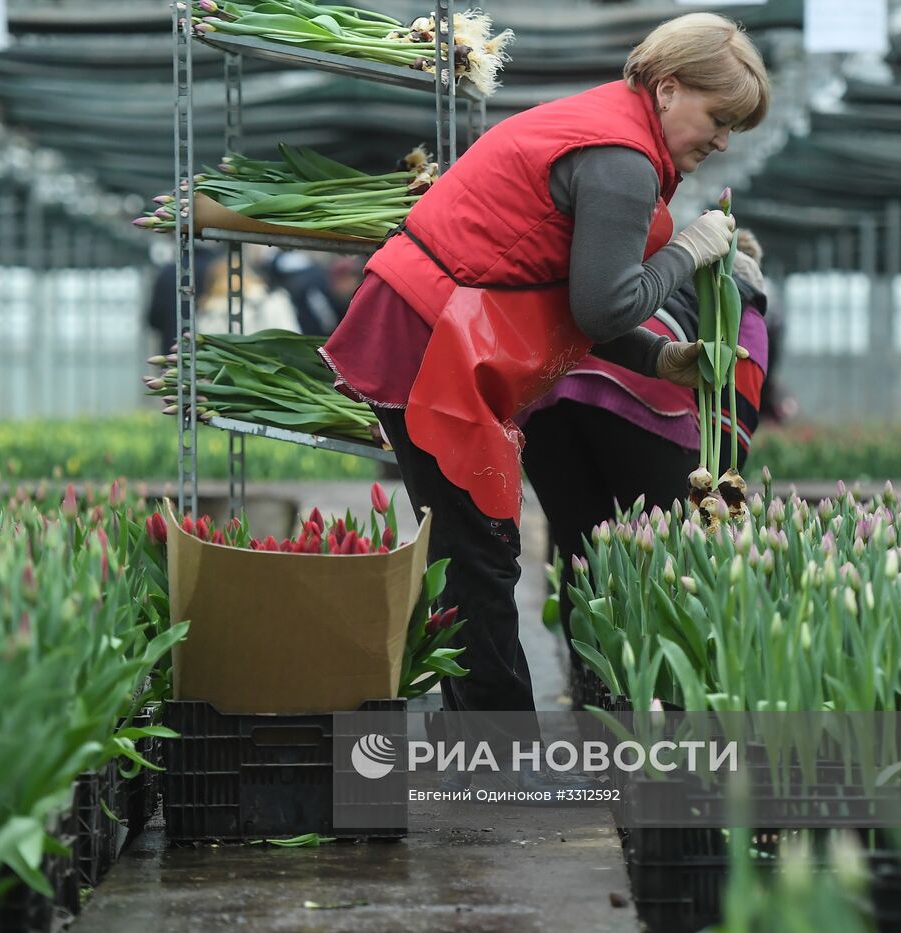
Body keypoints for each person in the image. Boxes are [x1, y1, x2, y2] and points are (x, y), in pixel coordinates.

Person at [318, 12, 768, 790]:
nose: (722, 140)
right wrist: (688, 250)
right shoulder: (623, 158)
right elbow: (604, 303)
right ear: (667, 88)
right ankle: (500, 761)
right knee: (479, 555)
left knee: (473, 551)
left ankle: (474, 748)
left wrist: (661, 354)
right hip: (433, 343)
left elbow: (571, 296)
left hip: (440, 332)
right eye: (719, 118)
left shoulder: (617, 138)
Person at [516, 231, 771, 708]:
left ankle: (590, 690)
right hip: (647, 395)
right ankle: (662, 696)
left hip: (550, 397)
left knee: (582, 548)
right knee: (669, 556)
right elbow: (735, 421)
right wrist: (723, 512)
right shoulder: (744, 302)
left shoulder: (656, 276)